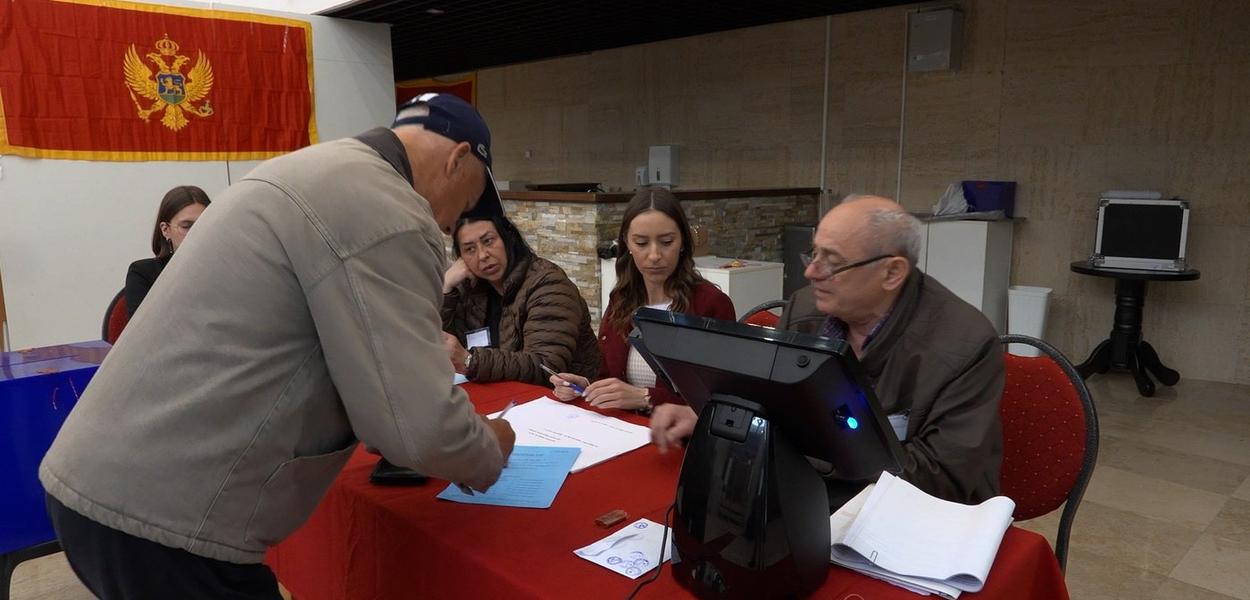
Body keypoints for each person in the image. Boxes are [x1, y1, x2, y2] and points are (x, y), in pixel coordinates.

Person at [40, 93, 516, 599]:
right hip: (167, 521)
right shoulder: (388, 210)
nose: (450, 223)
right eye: (464, 202)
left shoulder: (305, 169)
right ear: (458, 158)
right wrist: (488, 448)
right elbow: (416, 427)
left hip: (102, 482)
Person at [651, 195, 1004, 505]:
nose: (810, 272)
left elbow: (942, 477)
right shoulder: (806, 309)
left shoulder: (964, 344)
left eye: (831, 261)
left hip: (914, 525)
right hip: (815, 500)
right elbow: (773, 400)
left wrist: (804, 449)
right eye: (813, 252)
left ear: (892, 273)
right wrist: (711, 414)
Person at [549, 187, 735, 412]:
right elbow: (609, 375)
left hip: (680, 440)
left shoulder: (711, 304)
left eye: (666, 242)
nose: (654, 255)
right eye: (641, 243)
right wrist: (587, 388)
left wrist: (646, 397)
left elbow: (721, 401)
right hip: (625, 431)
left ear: (683, 242)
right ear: (627, 244)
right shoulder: (621, 299)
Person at [441, 213, 600, 385]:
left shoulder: (548, 284)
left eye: (488, 241)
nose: (482, 255)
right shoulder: (472, 287)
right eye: (470, 249)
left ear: (509, 238)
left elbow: (546, 366)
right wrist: (445, 289)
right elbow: (441, 347)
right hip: (499, 394)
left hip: (564, 401)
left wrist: (470, 361)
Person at [124, 185, 211, 318]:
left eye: (204, 224)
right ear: (165, 229)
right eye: (186, 226)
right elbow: (146, 330)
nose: (197, 232)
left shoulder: (228, 269)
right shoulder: (142, 273)